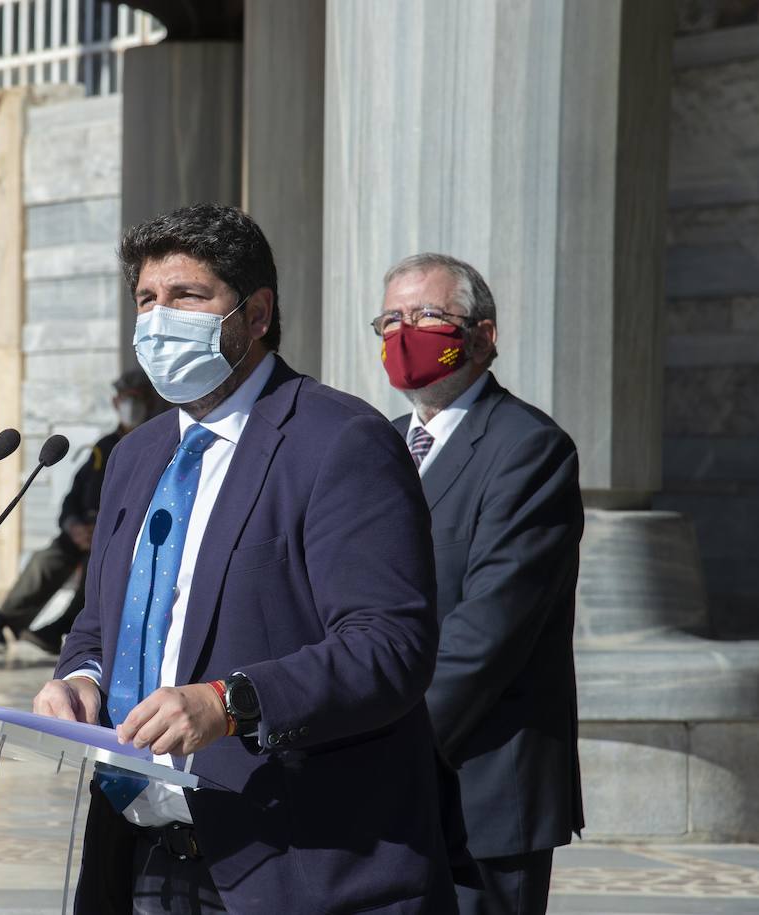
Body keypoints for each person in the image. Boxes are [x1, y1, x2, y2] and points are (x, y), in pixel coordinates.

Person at [33, 204, 472, 914]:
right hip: (143, 859)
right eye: (147, 298)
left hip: (296, 863)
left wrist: (229, 702)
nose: (159, 318)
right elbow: (100, 623)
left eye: (187, 296)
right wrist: (79, 677)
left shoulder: (339, 441)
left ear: (257, 312)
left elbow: (389, 646)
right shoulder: (136, 455)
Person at [376, 253, 584, 915]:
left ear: (483, 336)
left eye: (429, 316)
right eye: (390, 320)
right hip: (379, 782)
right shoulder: (376, 446)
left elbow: (489, 630)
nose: (405, 334)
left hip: (480, 790)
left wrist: (381, 735)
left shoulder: (528, 448)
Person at [0, 369, 164, 654]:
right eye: (123, 399)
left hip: (120, 535)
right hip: (84, 533)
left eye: (136, 399)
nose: (129, 406)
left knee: (98, 567)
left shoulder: (157, 444)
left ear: (150, 402)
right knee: (46, 560)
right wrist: (73, 525)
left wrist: (103, 529)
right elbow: (74, 495)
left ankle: (60, 629)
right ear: (115, 403)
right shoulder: (104, 447)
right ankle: (0, 624)